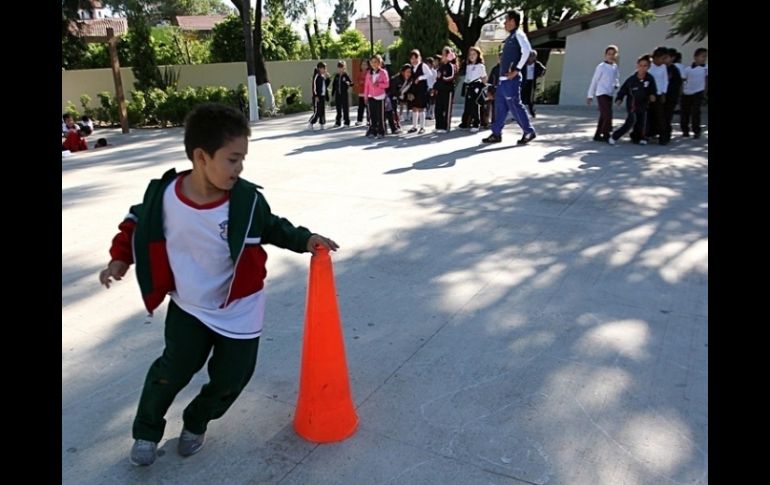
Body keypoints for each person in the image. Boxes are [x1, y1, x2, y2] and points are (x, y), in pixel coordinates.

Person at [98, 103, 338, 467]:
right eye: (232, 159)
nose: (239, 168)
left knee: (233, 378)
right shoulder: (165, 197)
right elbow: (136, 222)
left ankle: (197, 421)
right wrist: (119, 258)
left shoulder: (246, 200)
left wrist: (305, 239)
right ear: (200, 156)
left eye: (242, 160)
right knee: (171, 371)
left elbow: (273, 226)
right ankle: (147, 431)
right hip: (190, 306)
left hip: (240, 309)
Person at [482, 10, 537, 145]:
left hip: (511, 80)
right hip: (503, 81)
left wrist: (516, 70)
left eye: (506, 20)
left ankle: (529, 131)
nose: (504, 23)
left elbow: (527, 51)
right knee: (500, 107)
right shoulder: (511, 37)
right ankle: (496, 133)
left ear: (513, 21)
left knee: (515, 106)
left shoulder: (519, 35)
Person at [608, 55, 658, 146]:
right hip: (632, 105)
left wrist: (652, 95)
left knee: (642, 122)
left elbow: (653, 90)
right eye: (640, 65)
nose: (642, 68)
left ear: (648, 67)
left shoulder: (650, 78)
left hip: (643, 104)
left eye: (645, 66)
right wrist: (619, 99)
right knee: (631, 121)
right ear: (637, 66)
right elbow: (623, 90)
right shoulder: (631, 80)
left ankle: (641, 138)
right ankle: (614, 136)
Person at [587, 45, 620, 142]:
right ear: (605, 55)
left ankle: (597, 135)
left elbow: (616, 78)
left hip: (610, 93)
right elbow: (594, 81)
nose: (611, 56)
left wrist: (616, 84)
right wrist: (590, 95)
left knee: (603, 115)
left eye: (613, 54)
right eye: (609, 54)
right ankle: (606, 133)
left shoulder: (615, 67)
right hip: (601, 93)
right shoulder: (601, 67)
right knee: (607, 114)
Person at [681, 47, 708, 139]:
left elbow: (706, 80)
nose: (704, 58)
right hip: (687, 92)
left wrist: (705, 92)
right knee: (685, 112)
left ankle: (696, 131)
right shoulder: (688, 69)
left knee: (696, 112)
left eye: (705, 57)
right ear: (695, 57)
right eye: (702, 56)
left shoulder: (706, 68)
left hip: (698, 92)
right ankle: (685, 130)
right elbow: (684, 80)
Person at [459, 46, 487, 133]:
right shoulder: (468, 66)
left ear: (478, 55)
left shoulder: (480, 66)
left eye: (474, 54)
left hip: (476, 85)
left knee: (475, 105)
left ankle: (476, 123)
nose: (471, 56)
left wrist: (484, 86)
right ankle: (465, 122)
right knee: (468, 104)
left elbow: (484, 77)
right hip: (468, 85)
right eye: (470, 54)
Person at [363, 54, 390, 139]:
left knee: (380, 115)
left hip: (380, 96)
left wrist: (379, 84)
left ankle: (381, 131)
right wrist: (365, 96)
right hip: (371, 96)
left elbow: (387, 84)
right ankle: (373, 130)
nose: (374, 64)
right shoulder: (369, 73)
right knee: (372, 115)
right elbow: (366, 85)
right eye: (372, 62)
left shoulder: (383, 72)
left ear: (379, 63)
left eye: (375, 62)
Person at [520, 50, 546, 118]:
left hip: (531, 82)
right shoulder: (524, 64)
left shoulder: (537, 64)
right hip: (524, 81)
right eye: (530, 56)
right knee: (521, 98)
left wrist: (539, 74)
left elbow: (543, 69)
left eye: (533, 57)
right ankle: (519, 113)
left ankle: (532, 112)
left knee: (530, 99)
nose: (531, 58)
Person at [308, 62, 329, 130]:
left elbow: (326, 86)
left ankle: (322, 124)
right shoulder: (316, 76)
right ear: (320, 68)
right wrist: (316, 95)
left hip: (322, 96)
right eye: (324, 68)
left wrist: (327, 78)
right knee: (317, 111)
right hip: (317, 97)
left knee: (322, 111)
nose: (325, 70)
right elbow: (314, 86)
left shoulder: (323, 76)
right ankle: (311, 122)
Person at [331, 60, 353, 127]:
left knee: (345, 109)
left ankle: (346, 122)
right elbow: (334, 85)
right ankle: (338, 122)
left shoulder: (346, 75)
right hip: (338, 95)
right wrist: (333, 93)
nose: (340, 69)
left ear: (344, 68)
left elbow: (351, 83)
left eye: (342, 68)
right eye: (339, 68)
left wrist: (349, 83)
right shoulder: (336, 76)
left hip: (344, 95)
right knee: (338, 109)